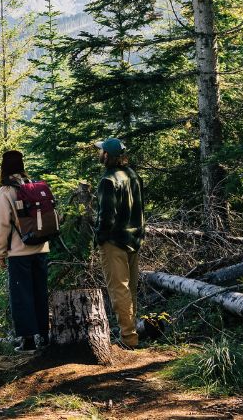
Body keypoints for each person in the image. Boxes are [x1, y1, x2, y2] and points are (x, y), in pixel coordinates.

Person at [0, 149, 49, 353]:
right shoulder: (32, 185)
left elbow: (1, 226)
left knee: (22, 296)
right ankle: (44, 335)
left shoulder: (6, 191)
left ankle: (28, 341)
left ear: (4, 168)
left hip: (19, 251)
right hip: (42, 248)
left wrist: (0, 254)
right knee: (40, 292)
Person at [94, 137, 144, 349]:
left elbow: (107, 216)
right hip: (134, 239)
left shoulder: (108, 180)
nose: (99, 154)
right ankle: (131, 333)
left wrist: (99, 237)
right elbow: (141, 209)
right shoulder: (133, 175)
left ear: (107, 155)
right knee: (130, 289)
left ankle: (128, 339)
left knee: (119, 290)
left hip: (114, 241)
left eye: (101, 151)